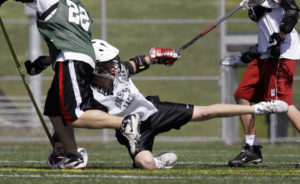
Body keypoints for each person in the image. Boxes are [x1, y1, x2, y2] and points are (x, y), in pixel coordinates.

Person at [26, 39, 289, 169]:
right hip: (130, 130)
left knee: (204, 112)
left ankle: (260, 107)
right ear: (96, 68)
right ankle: (160, 161)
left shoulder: (119, 71)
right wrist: (44, 62)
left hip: (152, 111)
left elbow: (144, 60)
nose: (115, 64)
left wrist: (161, 55)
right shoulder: (86, 92)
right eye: (108, 62)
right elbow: (69, 102)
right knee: (146, 165)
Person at [3, 0, 142, 169]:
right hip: (73, 58)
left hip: (72, 59)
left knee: (74, 115)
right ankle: (72, 155)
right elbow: (72, 37)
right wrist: (46, 61)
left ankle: (124, 122)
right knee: (54, 110)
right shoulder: (75, 5)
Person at [223, 0, 300, 167]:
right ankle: (252, 149)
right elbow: (264, 18)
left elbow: (293, 10)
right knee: (242, 95)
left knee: (283, 101)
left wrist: (281, 35)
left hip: (282, 51)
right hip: (265, 52)